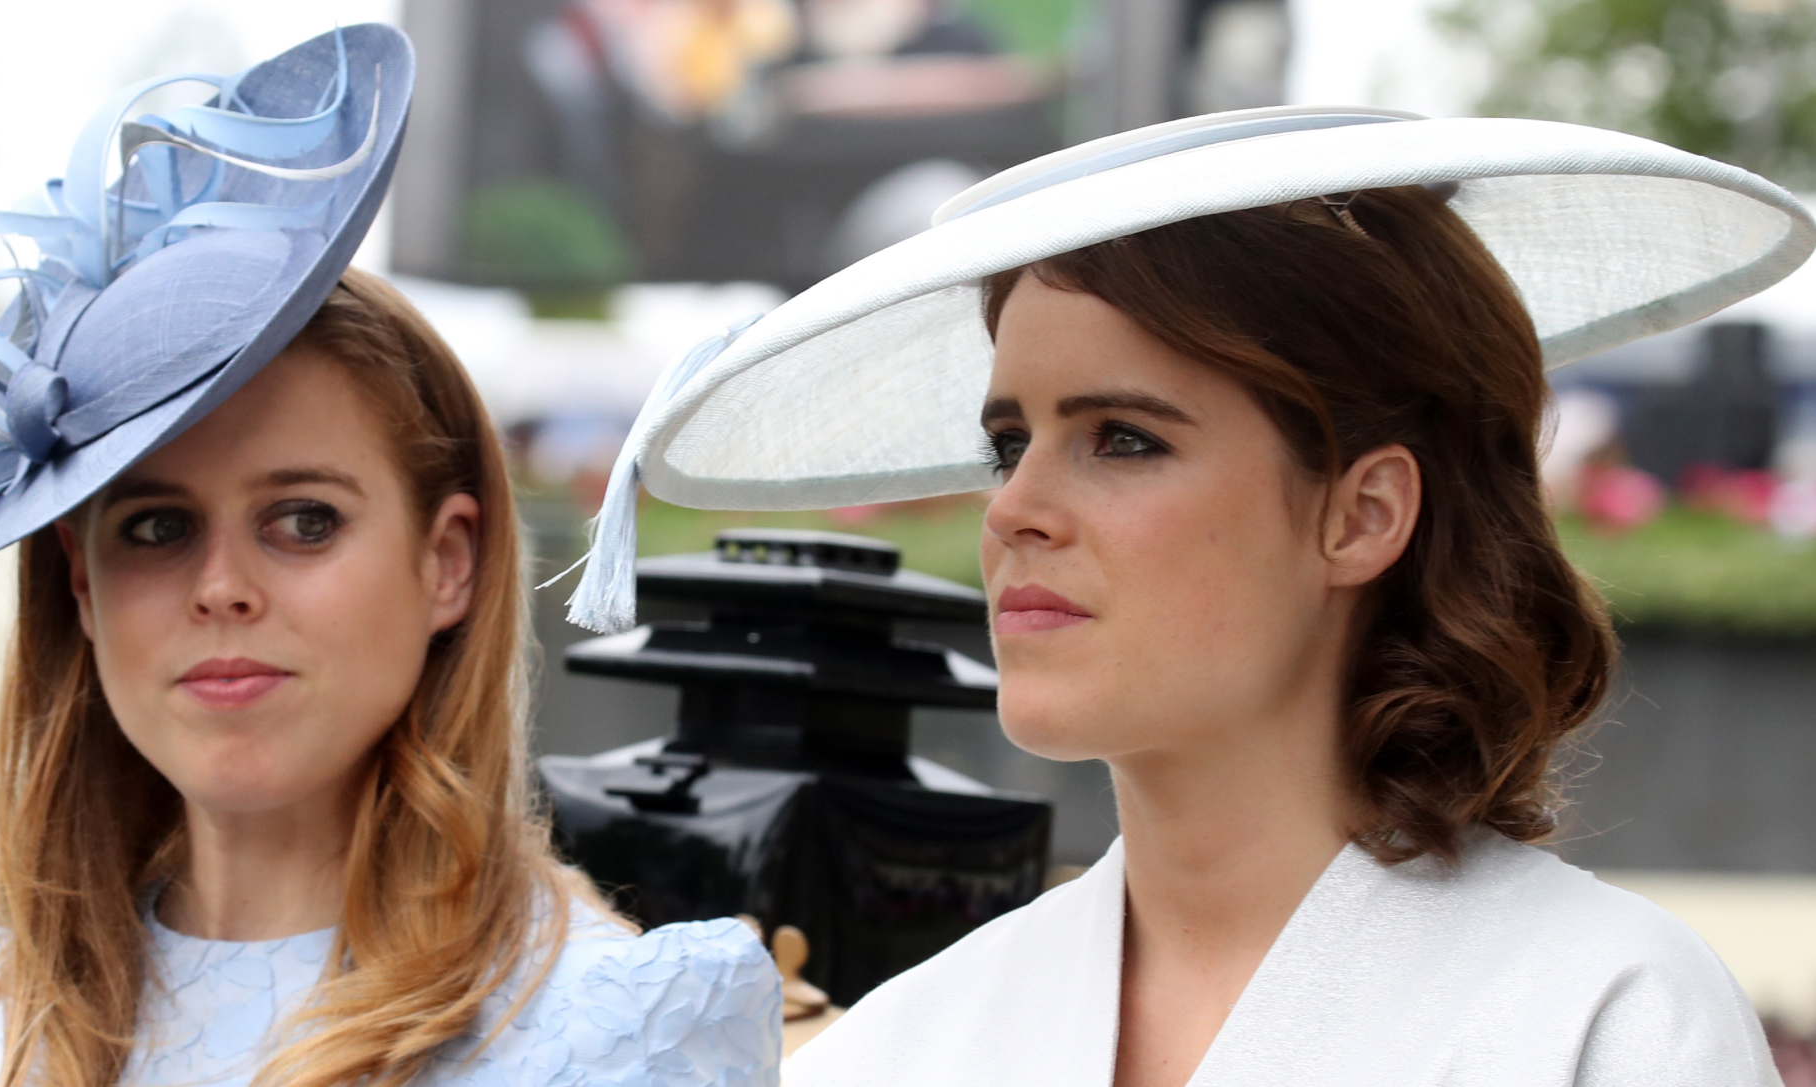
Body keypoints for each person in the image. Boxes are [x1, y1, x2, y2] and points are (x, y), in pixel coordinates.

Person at [564, 106, 1815, 1084]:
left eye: (1123, 438)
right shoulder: (903, 1047)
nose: (1012, 510)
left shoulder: (1602, 1017)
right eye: (1009, 443)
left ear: (1361, 513)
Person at [0, 26, 781, 1087]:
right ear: (80, 580)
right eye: (157, 527)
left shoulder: (619, 1023)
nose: (221, 589)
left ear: (448, 561)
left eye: (303, 520)